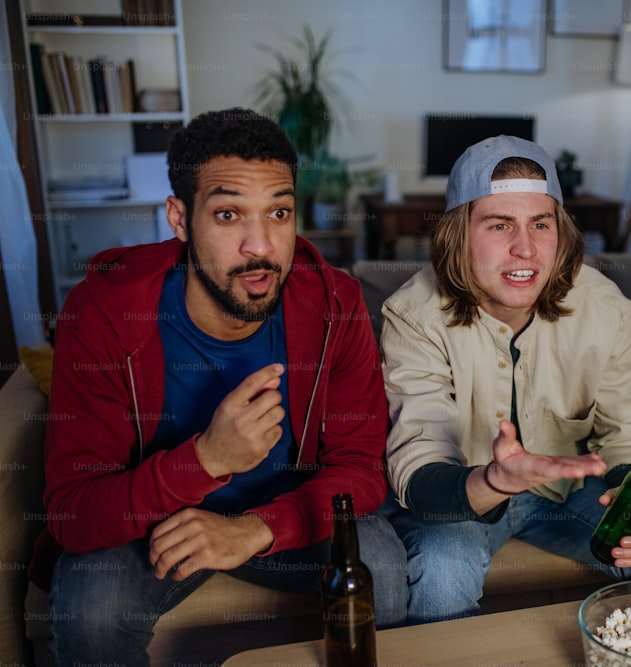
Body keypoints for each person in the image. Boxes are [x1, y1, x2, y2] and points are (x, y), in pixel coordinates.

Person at [27, 108, 407, 665]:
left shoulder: (336, 303)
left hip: (282, 516)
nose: (261, 245)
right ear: (179, 219)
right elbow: (73, 511)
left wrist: (253, 529)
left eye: (279, 212)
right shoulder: (104, 312)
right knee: (93, 608)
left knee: (384, 570)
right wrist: (204, 460)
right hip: (156, 526)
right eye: (229, 214)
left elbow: (361, 470)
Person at [378, 135, 631, 624]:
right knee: (443, 570)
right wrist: (494, 479)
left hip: (569, 499)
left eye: (540, 223)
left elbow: (627, 436)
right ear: (458, 233)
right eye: (499, 224)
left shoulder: (605, 307)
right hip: (466, 497)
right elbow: (417, 465)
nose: (525, 248)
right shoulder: (412, 314)